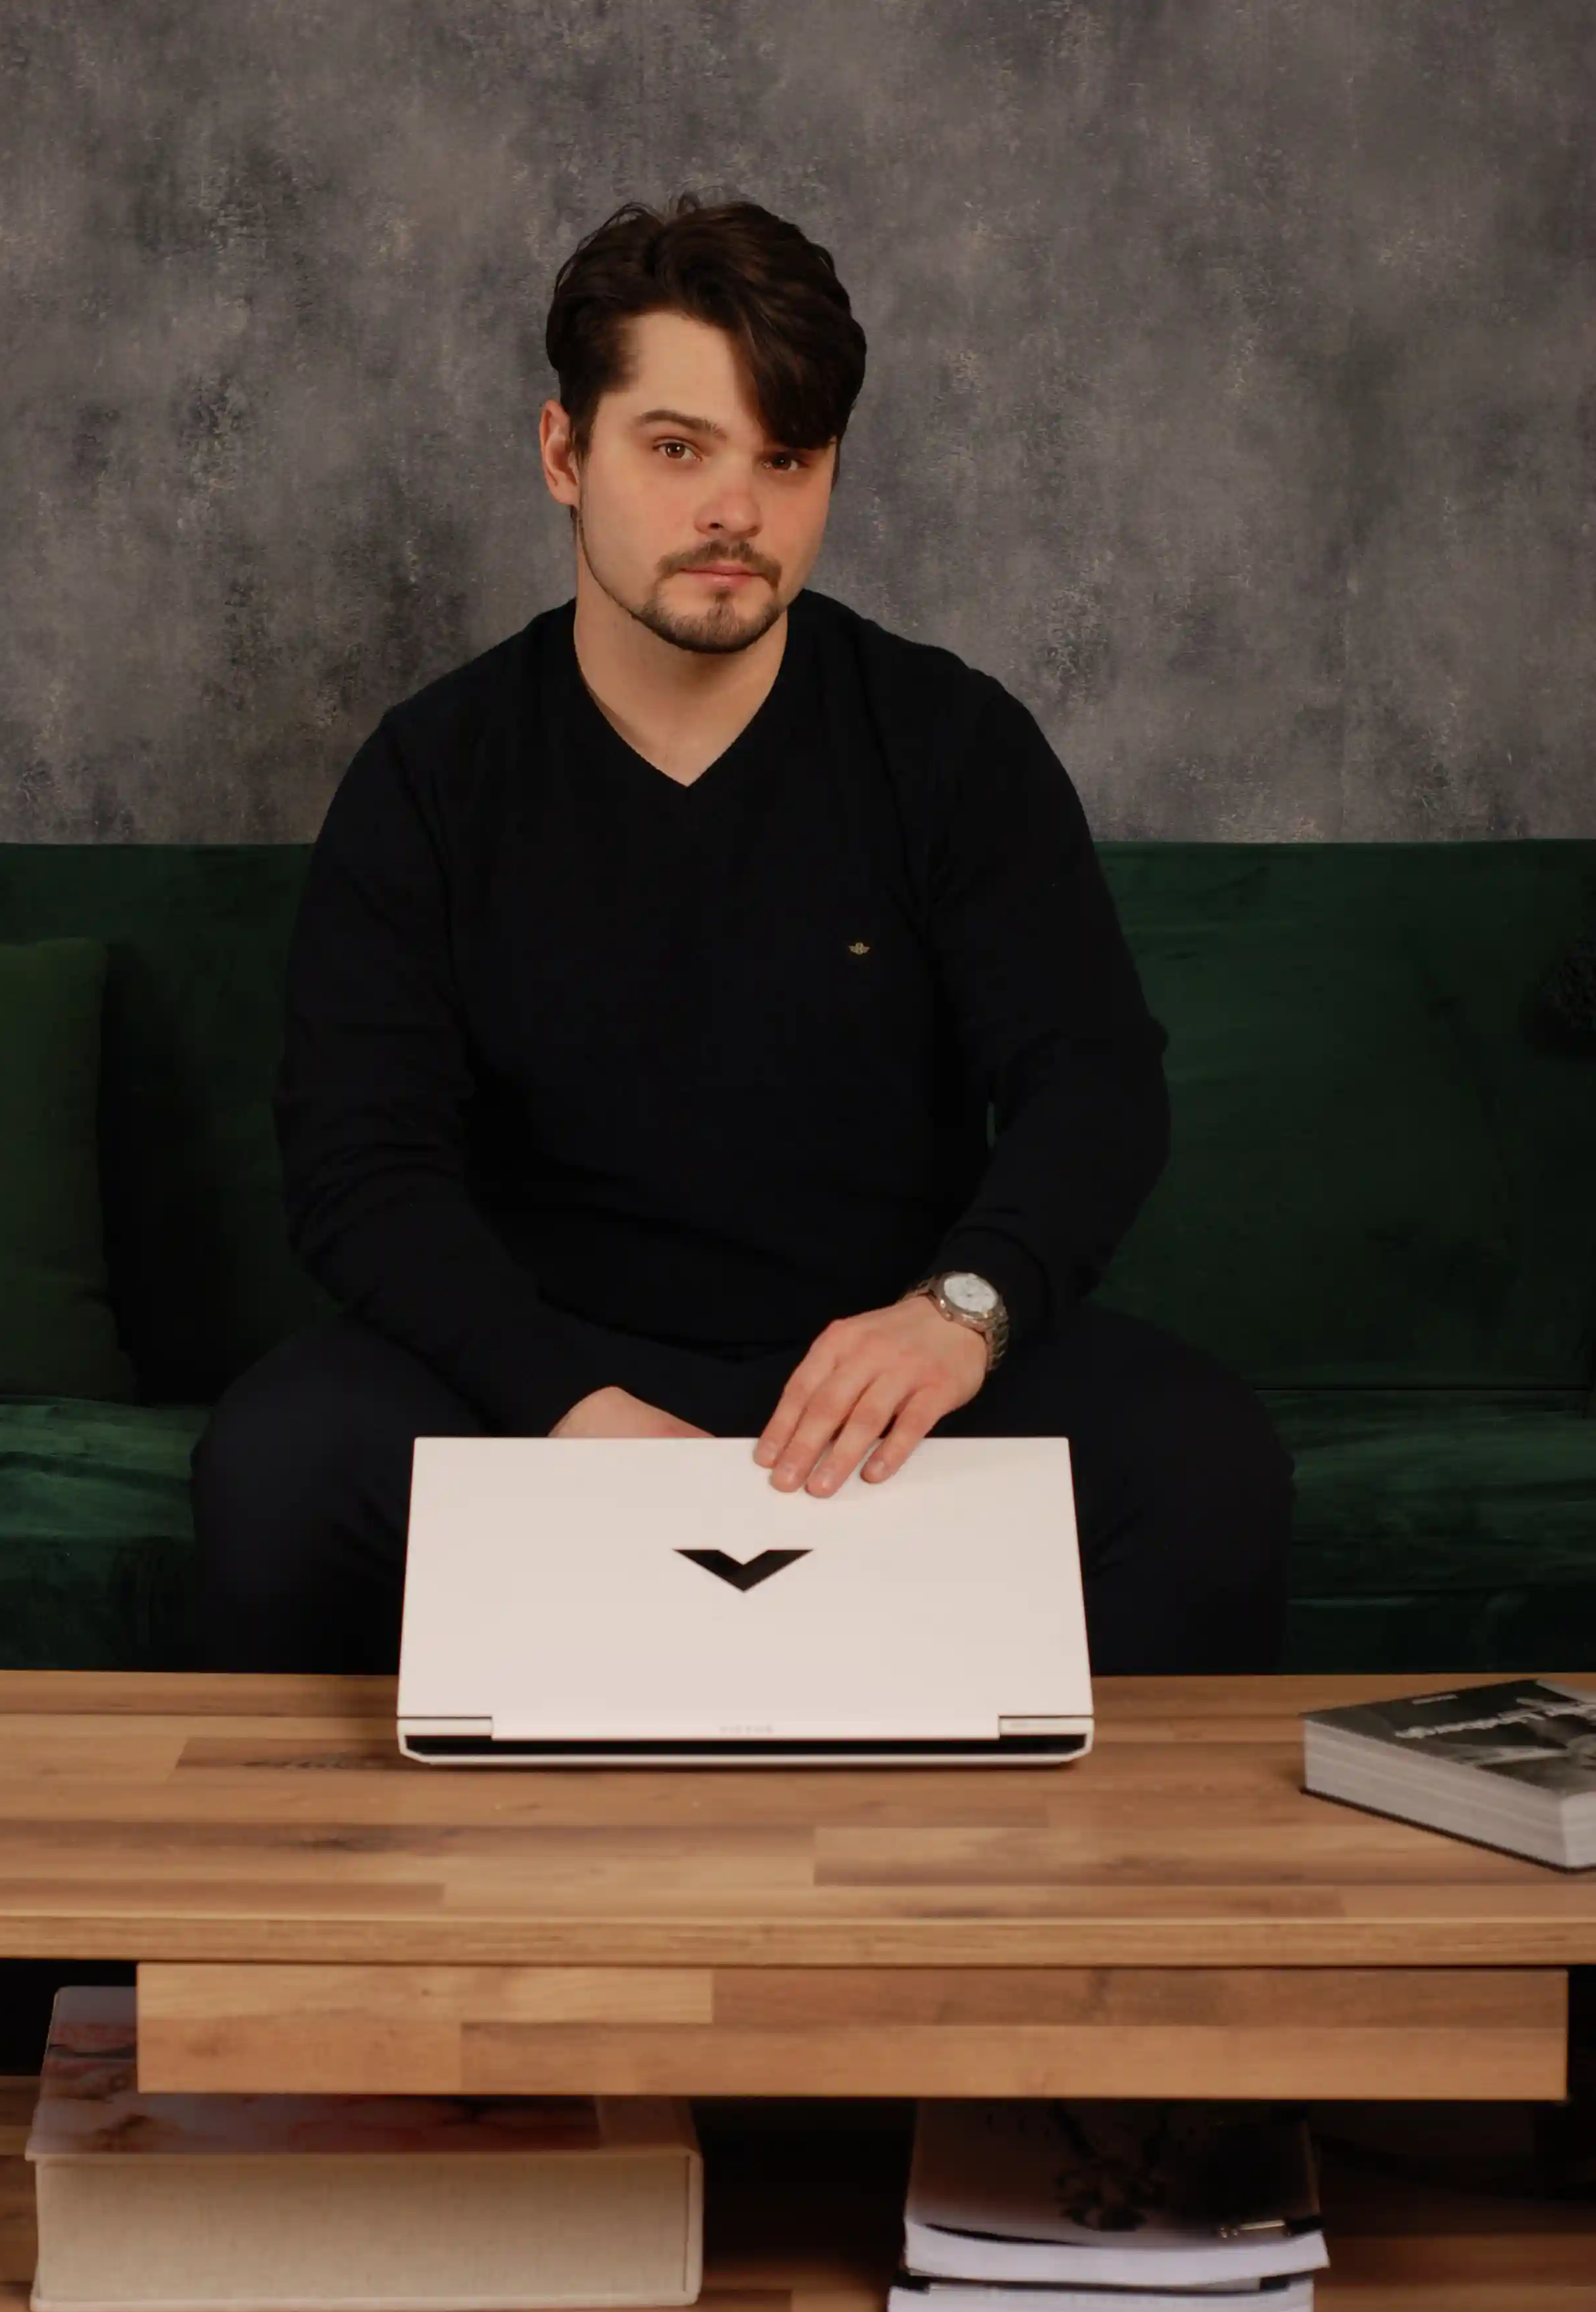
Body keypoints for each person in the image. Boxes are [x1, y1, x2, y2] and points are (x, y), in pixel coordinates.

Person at [190, 189, 1296, 1683]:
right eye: (675, 447)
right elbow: (355, 1165)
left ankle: (1061, 1907)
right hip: (538, 1359)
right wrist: (562, 1402)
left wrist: (955, 1315)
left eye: (785, 458)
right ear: (562, 456)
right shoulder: (433, 770)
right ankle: (374, 1905)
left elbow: (1088, 1081)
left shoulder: (948, 742)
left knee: (1204, 1464)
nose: (735, 509)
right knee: (278, 1469)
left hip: (874, 1367)